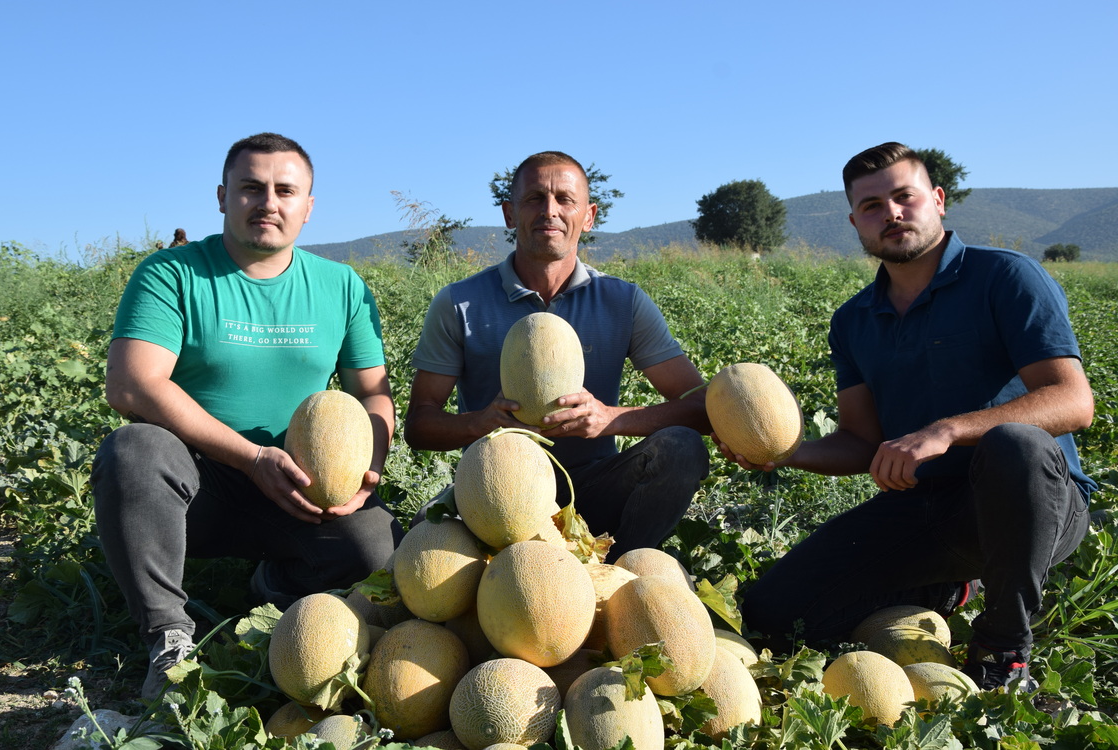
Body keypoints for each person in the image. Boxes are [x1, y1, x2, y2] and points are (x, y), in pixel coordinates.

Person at [731, 142, 1095, 691]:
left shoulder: (1007, 277)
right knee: (772, 614)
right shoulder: (854, 320)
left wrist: (945, 431)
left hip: (1035, 504)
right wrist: (785, 452)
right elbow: (860, 442)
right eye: (873, 206)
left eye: (905, 197)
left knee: (1014, 444)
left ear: (938, 200)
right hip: (930, 509)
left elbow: (1072, 400)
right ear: (856, 222)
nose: (892, 213)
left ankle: (1003, 647)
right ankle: (946, 588)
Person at [91, 133, 402, 701]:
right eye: (251, 188)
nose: (269, 202)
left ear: (309, 206)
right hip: (197, 486)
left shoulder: (341, 286)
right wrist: (251, 457)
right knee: (135, 449)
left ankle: (273, 581)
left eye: (286, 190)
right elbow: (131, 383)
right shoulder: (172, 273)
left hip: (298, 483)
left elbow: (375, 396)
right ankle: (168, 637)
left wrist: (366, 466)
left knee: (376, 550)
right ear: (222, 196)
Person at [405, 151, 711, 560]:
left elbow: (701, 407)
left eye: (565, 199)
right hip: (494, 495)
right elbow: (419, 426)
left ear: (588, 216)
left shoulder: (624, 302)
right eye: (534, 199)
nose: (550, 211)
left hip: (591, 488)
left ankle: (620, 571)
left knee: (680, 448)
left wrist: (608, 420)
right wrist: (478, 423)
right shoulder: (459, 303)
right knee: (421, 539)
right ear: (510, 214)